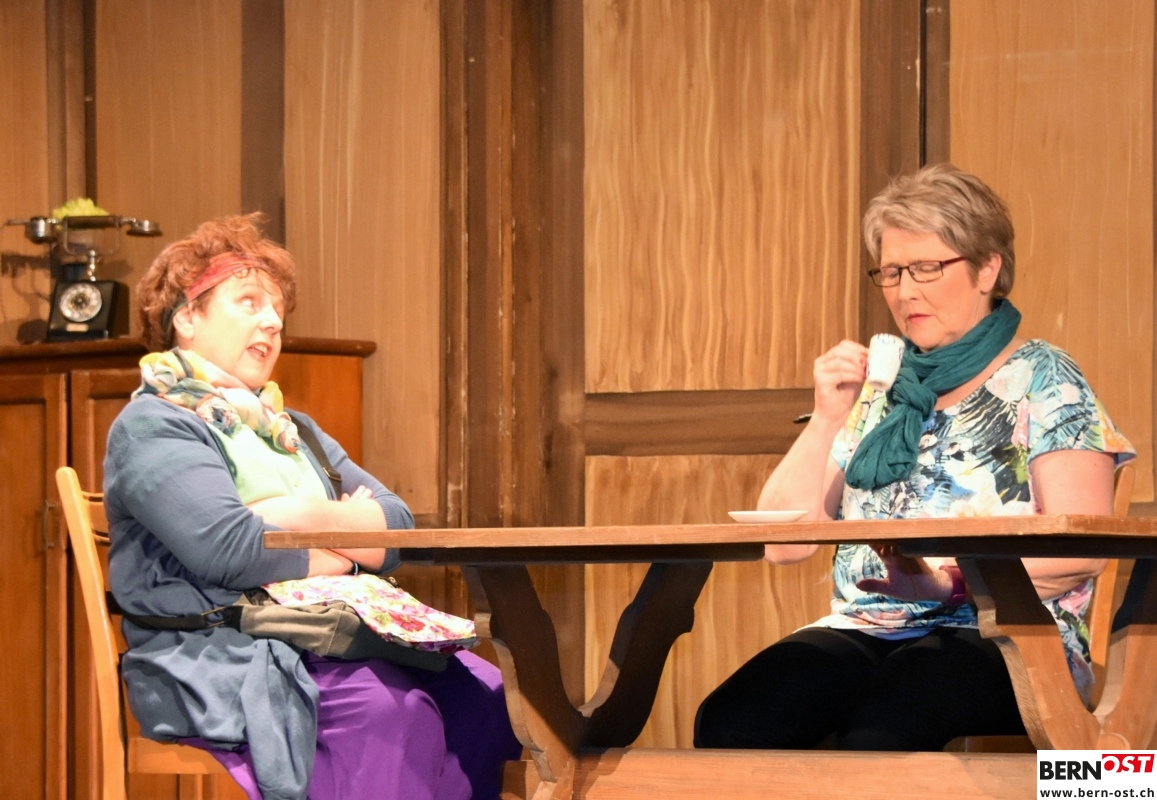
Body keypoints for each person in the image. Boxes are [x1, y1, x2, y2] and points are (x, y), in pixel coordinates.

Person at [693, 164, 1136, 752]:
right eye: (893, 271)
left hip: (1009, 635)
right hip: (867, 627)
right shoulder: (882, 387)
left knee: (886, 721)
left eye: (927, 268)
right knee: (734, 719)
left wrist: (944, 584)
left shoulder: (1044, 377)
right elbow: (784, 545)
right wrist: (827, 416)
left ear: (987, 269)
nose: (905, 292)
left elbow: (1079, 551)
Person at [103, 213, 521, 800]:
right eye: (249, 302)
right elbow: (231, 550)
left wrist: (290, 514)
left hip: (323, 634)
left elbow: (397, 529)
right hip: (216, 650)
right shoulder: (155, 424)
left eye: (277, 309)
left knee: (487, 697)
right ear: (187, 318)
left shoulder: (290, 429)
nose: (273, 322)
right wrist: (345, 545)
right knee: (388, 714)